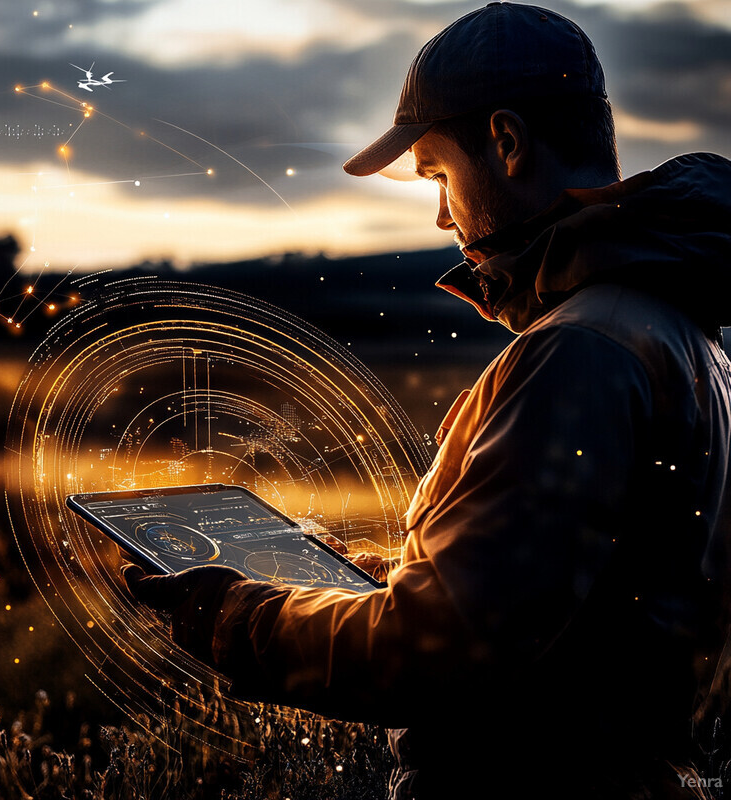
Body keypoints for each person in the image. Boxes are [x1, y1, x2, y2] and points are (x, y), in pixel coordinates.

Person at [122, 3, 731, 797]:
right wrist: (364, 574)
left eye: (439, 175)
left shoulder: (578, 351)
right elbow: (565, 610)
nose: (442, 215)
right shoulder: (679, 332)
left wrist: (239, 617)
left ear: (506, 144)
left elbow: (439, 653)